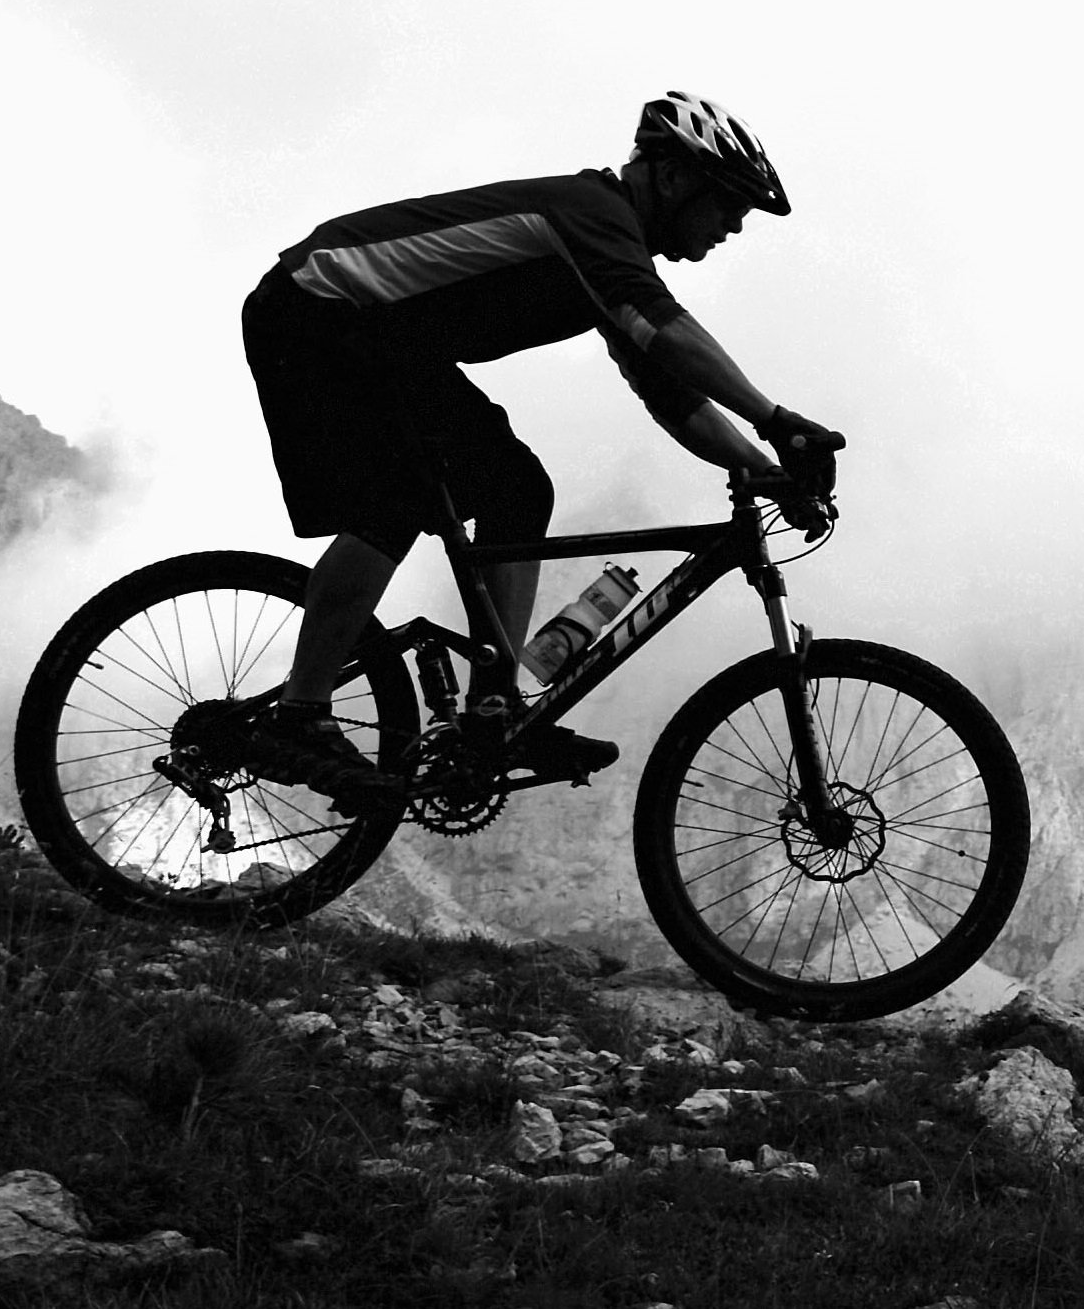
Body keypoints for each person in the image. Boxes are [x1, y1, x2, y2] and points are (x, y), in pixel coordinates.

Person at [231, 92, 838, 808]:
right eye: (728, 203)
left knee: (518, 489)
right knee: (394, 500)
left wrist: (764, 472)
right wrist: (776, 421)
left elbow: (673, 395)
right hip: (317, 309)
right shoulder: (594, 217)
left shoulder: (606, 258)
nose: (734, 226)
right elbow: (666, 329)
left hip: (383, 341)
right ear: (672, 178)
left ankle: (494, 711)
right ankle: (297, 715)